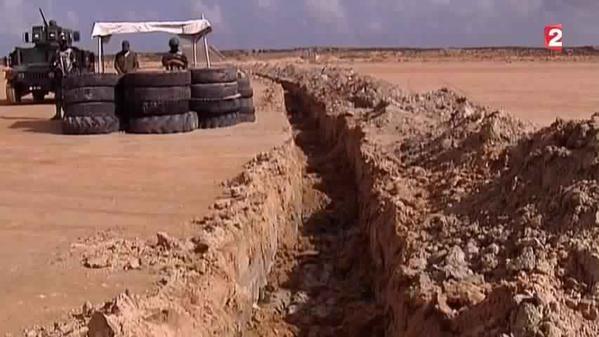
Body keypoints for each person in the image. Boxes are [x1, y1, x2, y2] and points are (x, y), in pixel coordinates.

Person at [51, 33, 78, 120]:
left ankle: (68, 113)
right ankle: (58, 113)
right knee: (58, 96)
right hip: (59, 77)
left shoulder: (70, 51)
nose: (62, 43)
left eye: (63, 42)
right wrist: (55, 68)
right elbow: (53, 63)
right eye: (61, 42)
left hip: (68, 76)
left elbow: (75, 64)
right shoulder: (57, 52)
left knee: (67, 96)